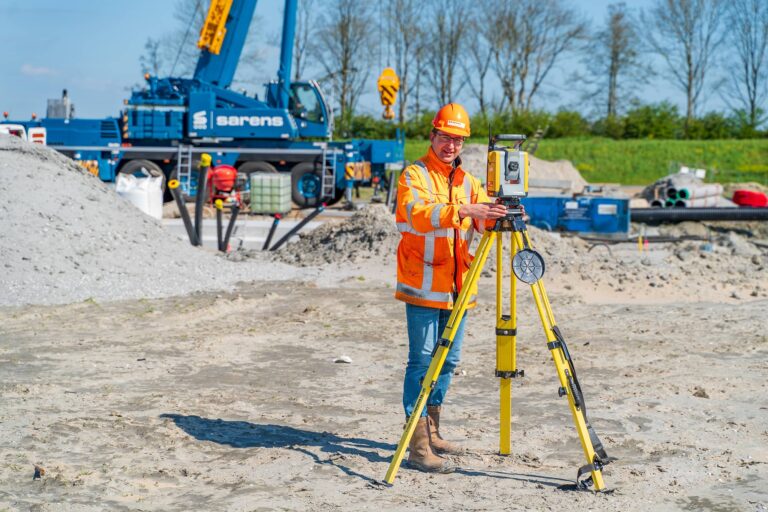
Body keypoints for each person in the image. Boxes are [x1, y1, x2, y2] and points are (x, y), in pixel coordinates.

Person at [394, 103, 507, 473]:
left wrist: (498, 215)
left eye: (457, 140)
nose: (451, 145)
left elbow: (480, 228)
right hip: (424, 285)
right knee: (422, 362)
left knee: (449, 362)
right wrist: (463, 211)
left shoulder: (469, 182)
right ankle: (418, 445)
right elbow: (416, 215)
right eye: (445, 137)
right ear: (433, 135)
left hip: (459, 289)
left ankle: (434, 428)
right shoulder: (414, 175)